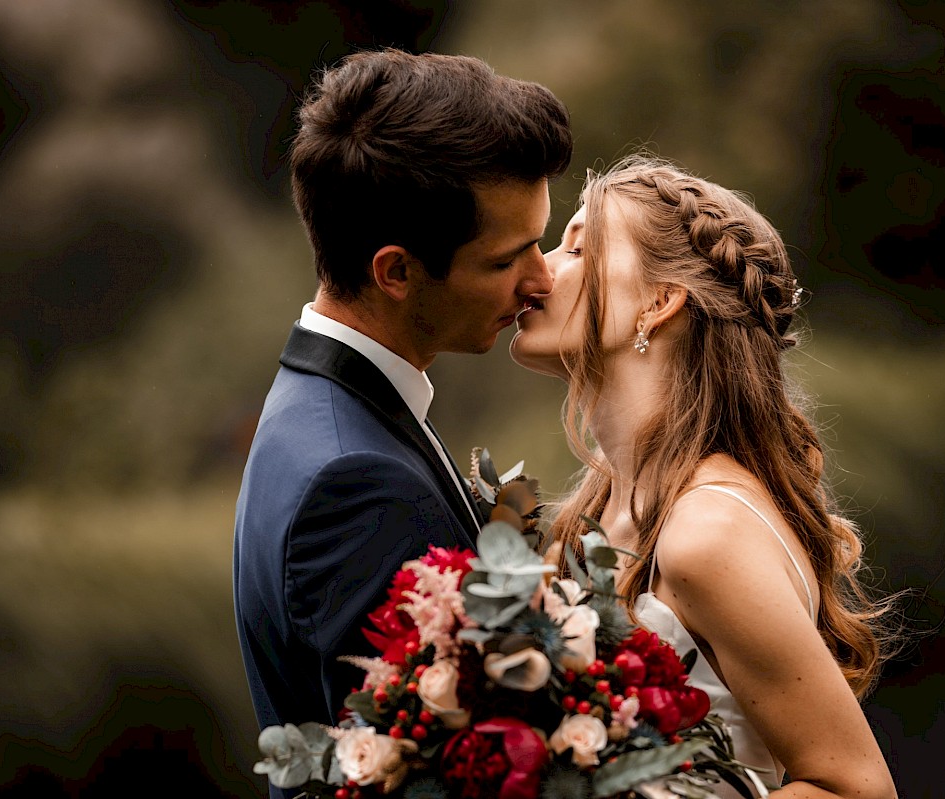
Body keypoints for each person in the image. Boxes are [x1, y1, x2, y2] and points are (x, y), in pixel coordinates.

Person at [233, 48, 572, 795]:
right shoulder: (357, 483)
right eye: (506, 259)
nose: (542, 279)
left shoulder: (321, 412)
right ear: (396, 271)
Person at [510, 154, 898, 798]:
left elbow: (856, 788)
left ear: (659, 303)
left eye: (578, 248)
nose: (539, 269)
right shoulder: (597, 514)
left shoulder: (706, 532)